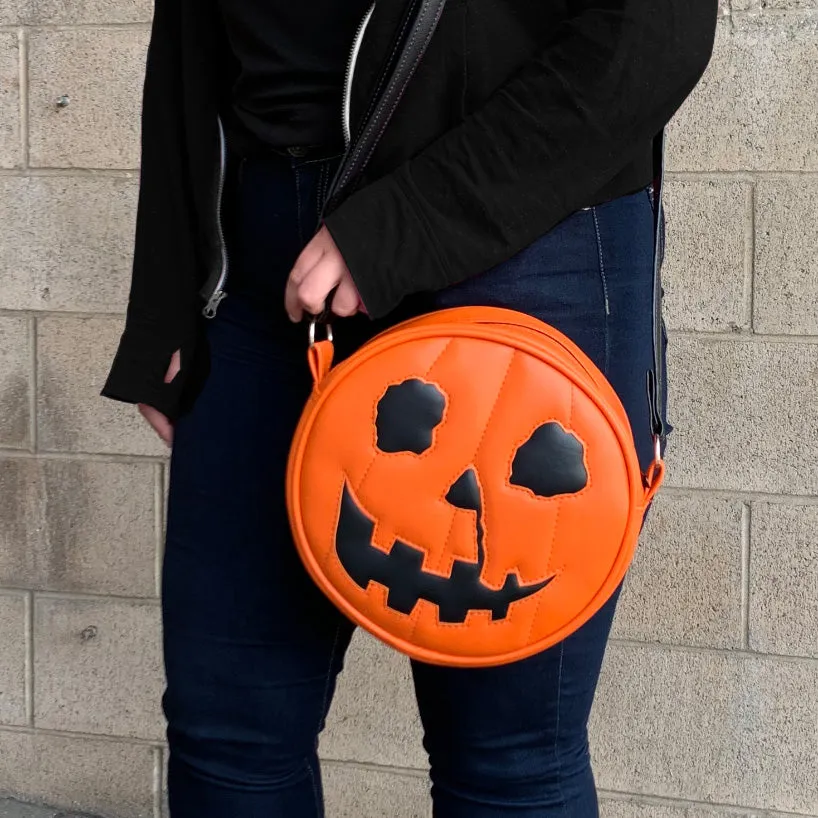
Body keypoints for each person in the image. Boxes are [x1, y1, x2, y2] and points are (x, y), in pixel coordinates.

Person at [101, 1, 717, 815]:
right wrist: (167, 290)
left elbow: (655, 30)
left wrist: (403, 227)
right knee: (228, 735)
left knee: (507, 761)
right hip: (264, 256)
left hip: (522, 232)